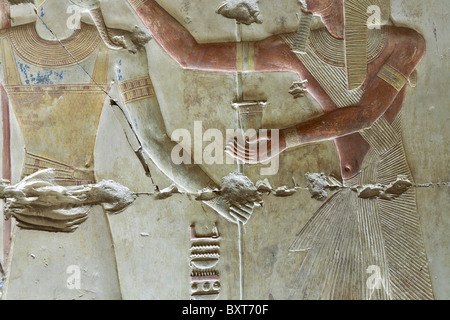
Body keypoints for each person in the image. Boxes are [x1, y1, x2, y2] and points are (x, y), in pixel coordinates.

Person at [130, 0, 434, 299]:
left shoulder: (405, 44)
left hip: (386, 185)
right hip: (350, 192)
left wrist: (285, 139)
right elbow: (189, 55)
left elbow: (367, 115)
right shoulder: (292, 50)